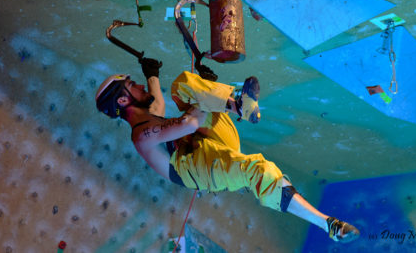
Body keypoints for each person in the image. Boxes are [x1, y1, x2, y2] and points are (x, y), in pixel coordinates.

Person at [95, 58, 360, 243]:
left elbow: (159, 99)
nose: (140, 86)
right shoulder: (142, 136)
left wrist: (151, 72)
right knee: (257, 170)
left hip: (204, 143)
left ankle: (240, 106)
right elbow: (191, 123)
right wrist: (208, 101)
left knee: (182, 84)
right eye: (133, 87)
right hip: (194, 168)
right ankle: (329, 224)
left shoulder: (148, 118)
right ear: (122, 100)